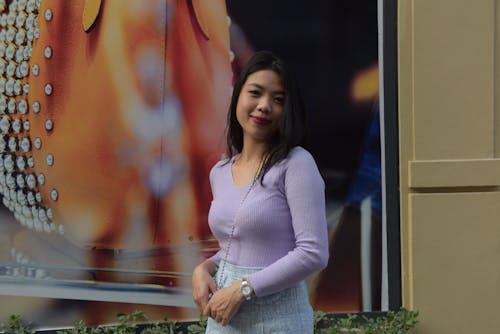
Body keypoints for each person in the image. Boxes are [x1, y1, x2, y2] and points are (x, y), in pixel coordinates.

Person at [191, 50, 329, 333]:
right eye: (255, 93)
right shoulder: (220, 172)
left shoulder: (296, 164)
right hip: (224, 317)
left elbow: (313, 253)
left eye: (278, 99)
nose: (264, 106)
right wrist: (205, 268)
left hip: (278, 318)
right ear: (238, 96)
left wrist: (243, 289)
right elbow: (238, 246)